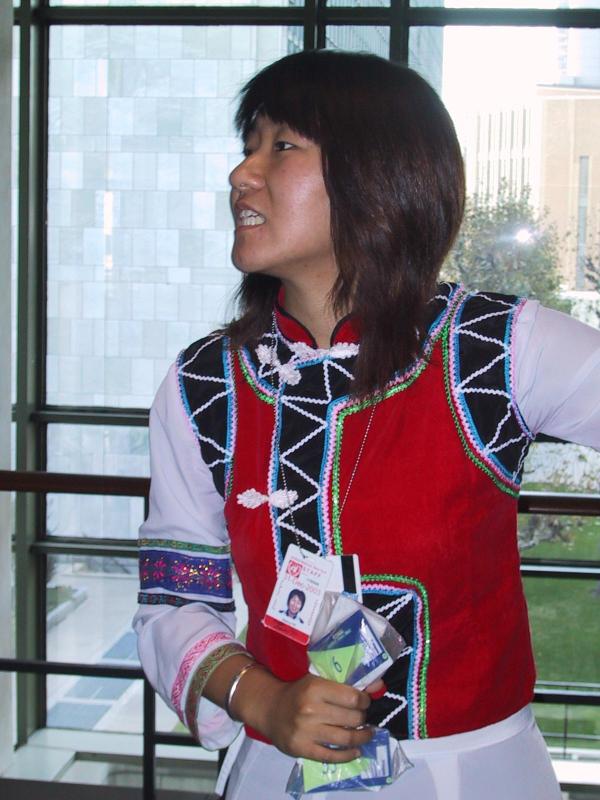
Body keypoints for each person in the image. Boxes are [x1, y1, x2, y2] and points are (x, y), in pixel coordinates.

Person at [133, 50, 600, 799]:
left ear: (377, 174)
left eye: (282, 146)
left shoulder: (495, 349)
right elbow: (172, 599)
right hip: (276, 772)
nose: (242, 174)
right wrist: (263, 700)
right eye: (247, 146)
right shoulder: (205, 384)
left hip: (472, 773)